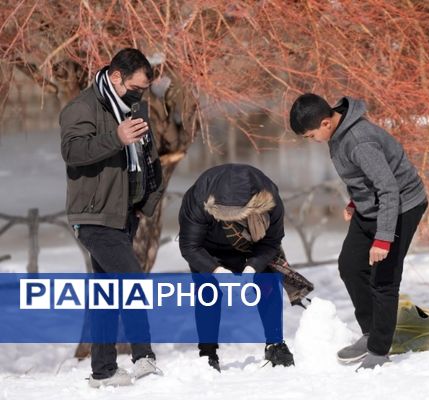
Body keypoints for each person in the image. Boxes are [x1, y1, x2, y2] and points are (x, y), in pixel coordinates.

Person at [289, 93, 428, 369]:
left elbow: (389, 189)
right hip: (373, 205)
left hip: (401, 206)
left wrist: (383, 239)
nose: (311, 141)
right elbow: (365, 176)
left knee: (384, 278)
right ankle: (371, 332)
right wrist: (355, 202)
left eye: (310, 135)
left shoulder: (359, 140)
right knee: (351, 265)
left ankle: (379, 351)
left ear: (327, 122)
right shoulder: (338, 134)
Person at [59, 48, 164, 387]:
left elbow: (148, 157)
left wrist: (145, 202)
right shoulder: (83, 107)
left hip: (123, 214)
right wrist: (116, 138)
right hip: (93, 216)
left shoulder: (133, 107)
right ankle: (143, 357)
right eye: (135, 87)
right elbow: (73, 152)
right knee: (131, 280)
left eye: (144, 89)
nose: (140, 94)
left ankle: (102, 371)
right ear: (116, 77)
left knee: (106, 292)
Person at [178, 163, 313, 371]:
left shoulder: (270, 198)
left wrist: (252, 268)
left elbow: (272, 242)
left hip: (253, 247)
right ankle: (207, 354)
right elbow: (189, 246)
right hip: (208, 250)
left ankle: (275, 344)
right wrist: (216, 271)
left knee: (268, 284)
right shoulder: (198, 197)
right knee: (207, 293)